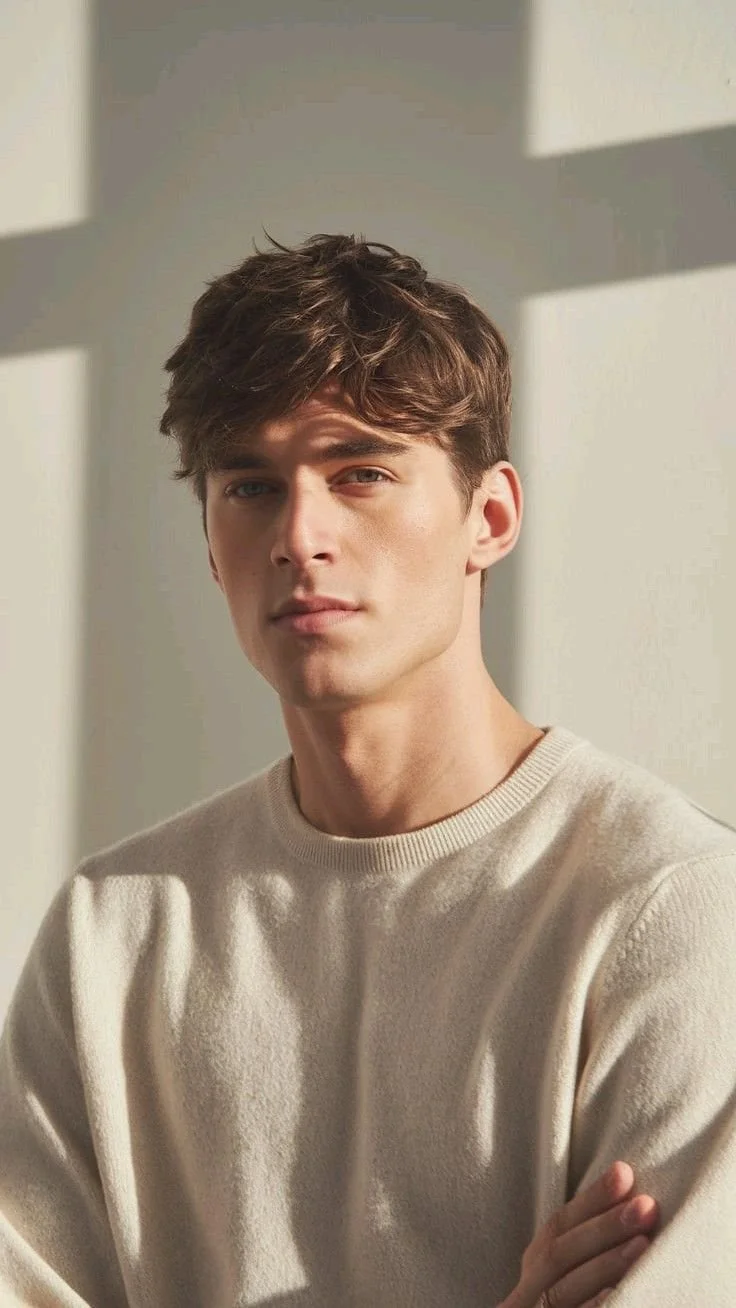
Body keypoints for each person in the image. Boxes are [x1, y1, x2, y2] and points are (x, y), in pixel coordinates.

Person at [1, 232, 734, 1307]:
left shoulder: (668, 905)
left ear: (489, 517)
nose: (300, 535)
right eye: (250, 486)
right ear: (210, 545)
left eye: (362, 474)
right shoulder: (113, 932)